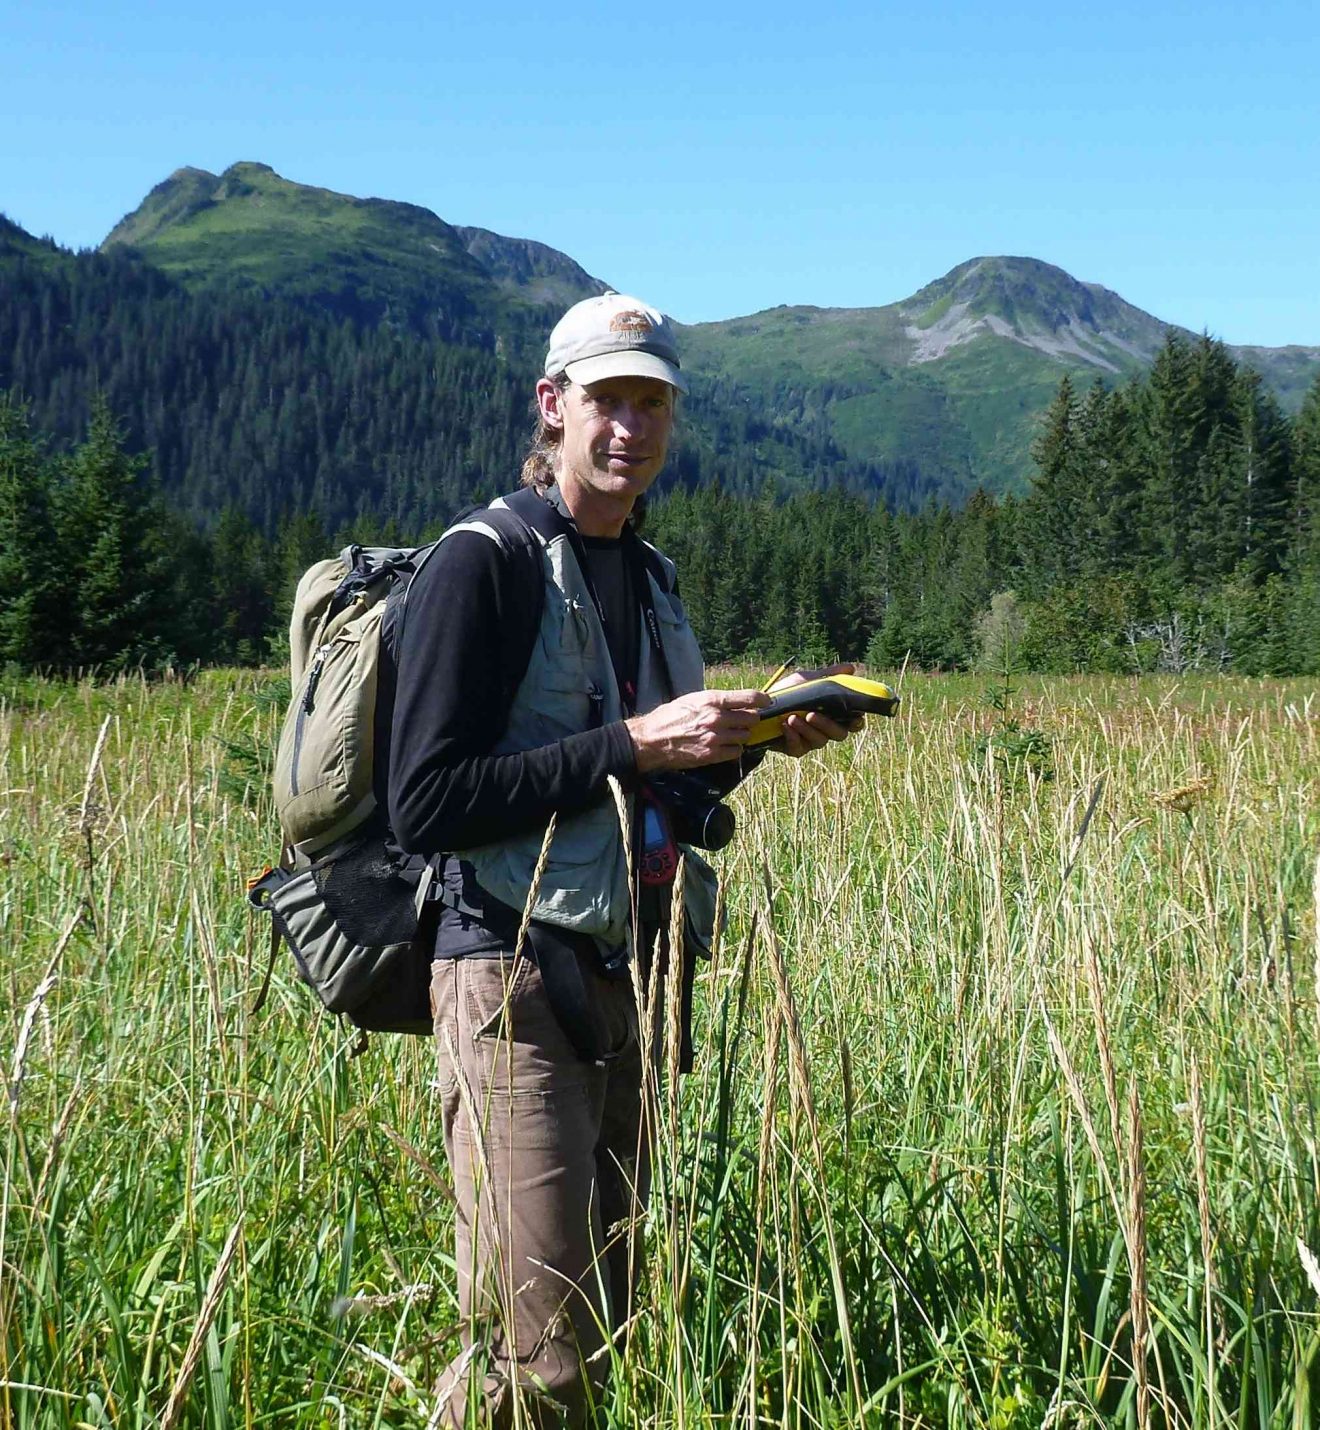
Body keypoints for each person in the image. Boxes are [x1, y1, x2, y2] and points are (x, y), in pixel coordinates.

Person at [388, 292, 859, 1426]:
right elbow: (424, 800)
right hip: (507, 970)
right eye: (607, 401)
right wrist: (638, 739)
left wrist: (752, 741)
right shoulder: (481, 563)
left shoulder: (646, 575)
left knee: (601, 1317)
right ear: (554, 406)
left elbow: (649, 790)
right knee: (535, 1344)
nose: (629, 430)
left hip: (631, 972)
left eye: (652, 404)